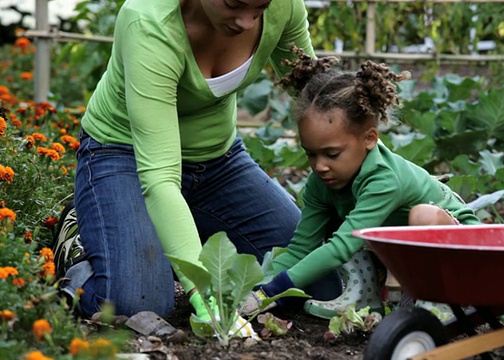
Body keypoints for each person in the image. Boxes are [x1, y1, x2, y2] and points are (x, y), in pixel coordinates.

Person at [51, 0, 343, 336]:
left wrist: (380, 176)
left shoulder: (284, 6)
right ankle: (81, 239)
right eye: (234, 4)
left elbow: (322, 102)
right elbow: (159, 176)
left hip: (219, 163)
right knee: (136, 302)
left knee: (315, 280)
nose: (247, 22)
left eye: (259, 8)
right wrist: (206, 296)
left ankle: (163, 239)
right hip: (123, 156)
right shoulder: (149, 22)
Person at [241, 47, 481, 319]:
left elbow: (342, 247)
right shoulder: (320, 183)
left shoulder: (384, 179)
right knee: (340, 222)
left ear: (369, 139)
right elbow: (300, 248)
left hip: (461, 249)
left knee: (418, 215)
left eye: (332, 154)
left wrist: (278, 289)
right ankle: (365, 296)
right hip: (398, 252)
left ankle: (439, 301)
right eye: (310, 153)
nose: (320, 165)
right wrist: (256, 287)